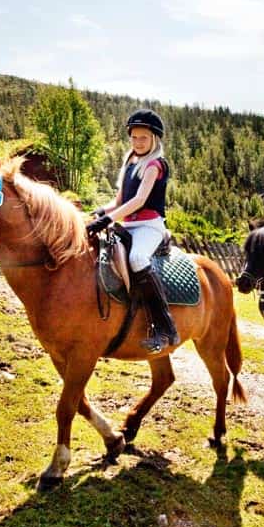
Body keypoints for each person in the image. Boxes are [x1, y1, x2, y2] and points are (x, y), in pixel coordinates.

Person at [85, 108, 178, 352]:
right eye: (134, 137)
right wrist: (98, 213)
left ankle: (165, 327)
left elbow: (138, 200)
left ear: (154, 140)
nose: (138, 142)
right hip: (127, 224)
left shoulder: (155, 165)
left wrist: (106, 221)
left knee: (137, 258)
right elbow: (118, 202)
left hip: (150, 225)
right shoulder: (130, 163)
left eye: (143, 138)